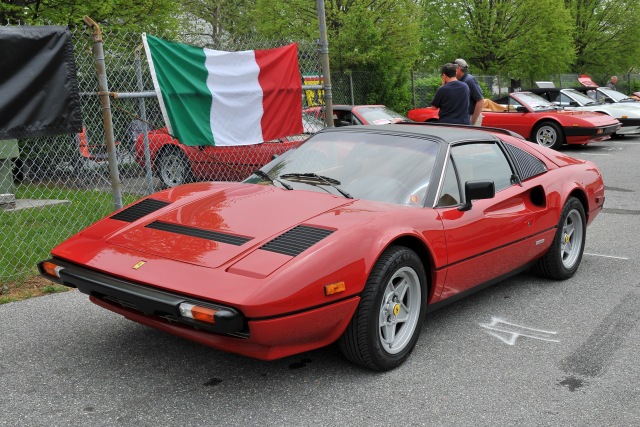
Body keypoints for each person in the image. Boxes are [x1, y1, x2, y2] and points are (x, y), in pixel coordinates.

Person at [453, 58, 484, 126]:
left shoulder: (469, 80)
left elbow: (480, 100)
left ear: (459, 68)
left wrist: (473, 121)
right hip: (464, 118)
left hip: (470, 117)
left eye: (454, 67)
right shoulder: (460, 80)